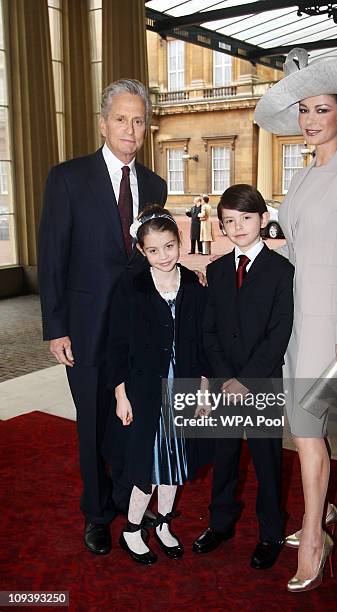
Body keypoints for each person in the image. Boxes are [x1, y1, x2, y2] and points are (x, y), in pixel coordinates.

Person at [254, 48, 337, 592]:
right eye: (305, 110)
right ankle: (323, 508)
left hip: (324, 324)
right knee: (308, 427)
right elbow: (295, 247)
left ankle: (313, 534)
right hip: (293, 317)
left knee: (307, 433)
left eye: (321, 110)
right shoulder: (306, 173)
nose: (310, 120)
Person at [38, 79, 167, 556]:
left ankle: (123, 499)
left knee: (130, 420)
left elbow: (154, 256)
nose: (130, 129)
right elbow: (52, 257)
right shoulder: (68, 177)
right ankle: (96, 512)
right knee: (91, 421)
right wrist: (56, 327)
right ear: (103, 123)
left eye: (138, 120)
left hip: (136, 331)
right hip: (86, 328)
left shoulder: (155, 184)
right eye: (121, 118)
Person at [192, 184, 294, 570]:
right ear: (220, 226)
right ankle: (220, 523)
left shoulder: (281, 271)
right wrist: (223, 377)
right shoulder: (217, 270)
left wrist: (246, 380)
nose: (238, 228)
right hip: (223, 380)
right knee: (225, 454)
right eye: (229, 221)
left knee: (267, 460)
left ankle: (270, 532)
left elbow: (279, 334)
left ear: (264, 221)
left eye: (246, 219)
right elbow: (209, 330)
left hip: (262, 381)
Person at [103, 206, 209, 564]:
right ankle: (132, 529)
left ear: (180, 242)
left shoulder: (194, 284)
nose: (163, 256)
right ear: (141, 251)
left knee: (175, 461)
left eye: (169, 246)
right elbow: (115, 343)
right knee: (145, 464)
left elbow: (203, 339)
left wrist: (204, 387)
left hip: (184, 386)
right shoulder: (131, 287)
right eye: (153, 250)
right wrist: (121, 395)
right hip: (144, 390)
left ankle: (163, 522)